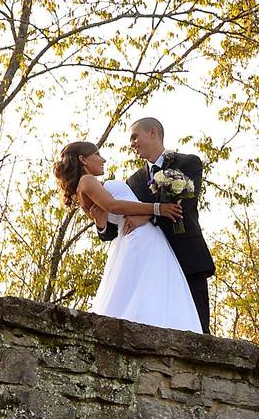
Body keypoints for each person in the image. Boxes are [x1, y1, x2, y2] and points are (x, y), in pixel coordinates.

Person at [53, 141, 202, 333]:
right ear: (83, 159)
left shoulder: (85, 189)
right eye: (97, 154)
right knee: (152, 289)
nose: (103, 159)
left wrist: (102, 224)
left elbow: (107, 226)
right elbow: (113, 207)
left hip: (133, 239)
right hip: (140, 238)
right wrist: (158, 209)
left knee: (145, 290)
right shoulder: (87, 181)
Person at [95, 118, 215, 334]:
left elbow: (185, 204)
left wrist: (148, 216)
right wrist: (101, 222)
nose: (132, 143)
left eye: (134, 136)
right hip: (152, 265)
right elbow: (118, 228)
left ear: (152, 132)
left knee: (198, 328)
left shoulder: (188, 162)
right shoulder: (134, 181)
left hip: (186, 255)